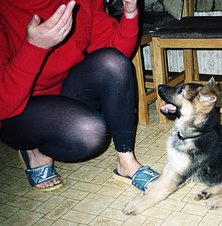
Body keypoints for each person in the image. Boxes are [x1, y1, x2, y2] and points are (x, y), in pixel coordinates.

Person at [0, 0, 159, 192]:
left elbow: (114, 55)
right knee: (90, 133)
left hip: (63, 89)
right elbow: (3, 106)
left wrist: (130, 13)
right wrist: (34, 47)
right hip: (18, 107)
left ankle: (126, 161)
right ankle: (33, 148)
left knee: (113, 63)